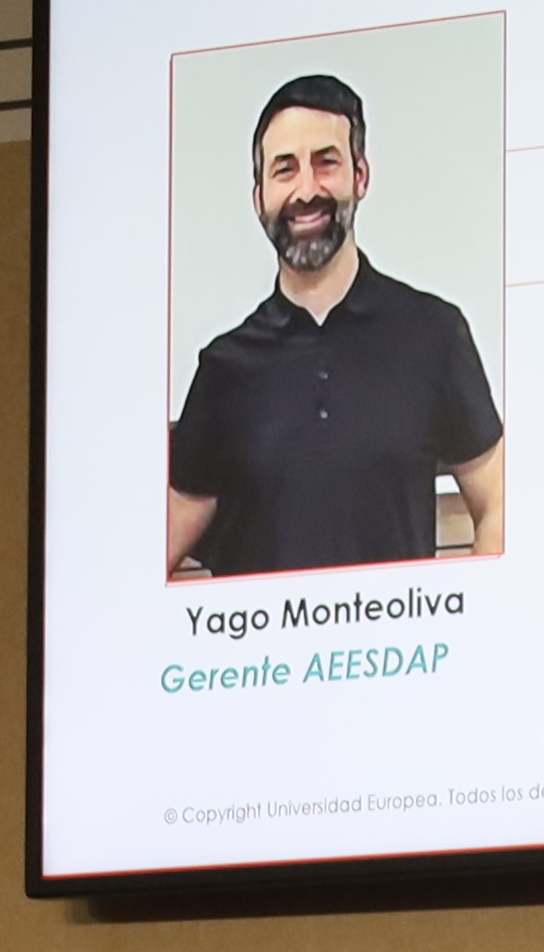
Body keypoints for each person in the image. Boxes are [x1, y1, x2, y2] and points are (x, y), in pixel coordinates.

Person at [168, 70, 506, 576]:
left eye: (326, 164)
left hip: (402, 653)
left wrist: (466, 631)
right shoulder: (223, 369)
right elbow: (152, 557)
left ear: (361, 176)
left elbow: (500, 501)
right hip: (265, 656)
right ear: (258, 195)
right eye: (284, 170)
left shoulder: (435, 334)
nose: (307, 190)